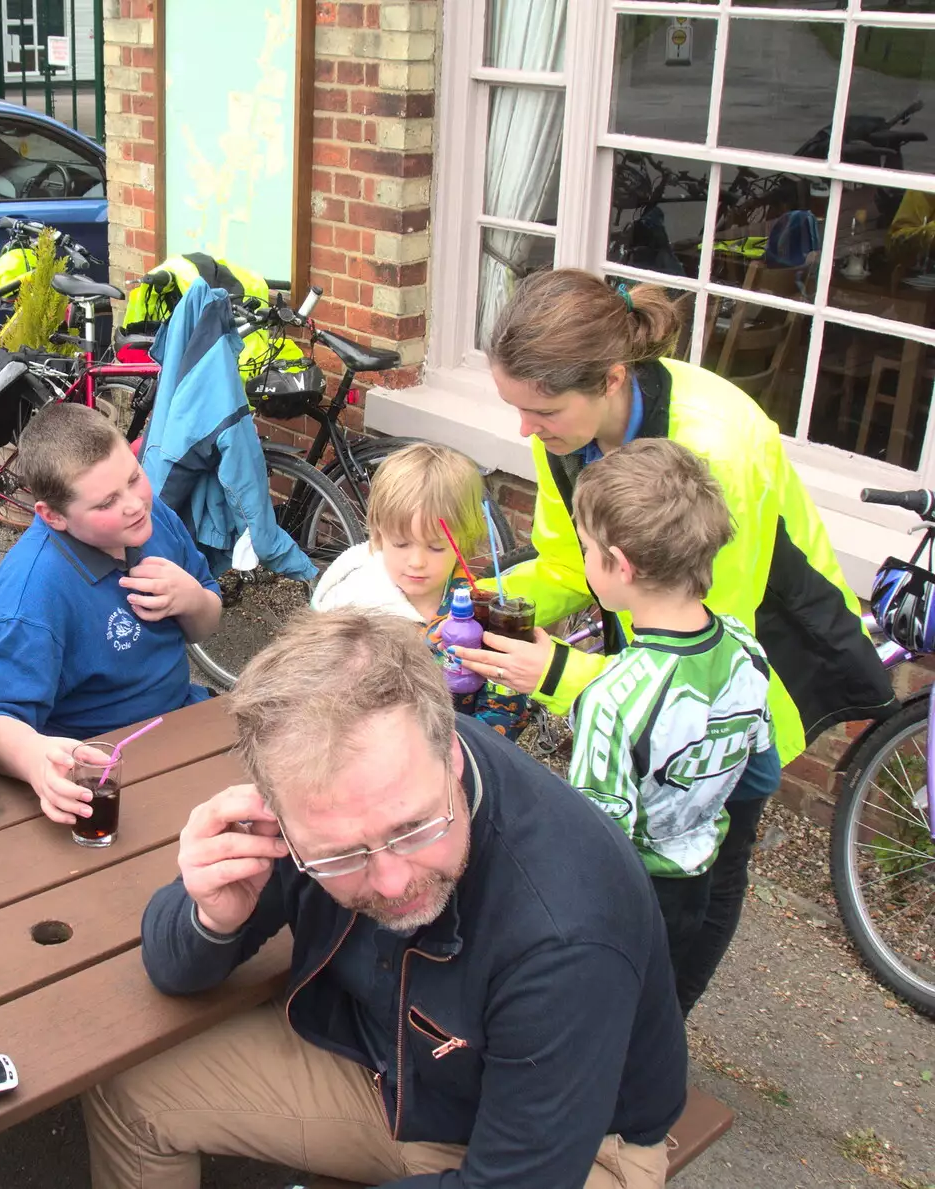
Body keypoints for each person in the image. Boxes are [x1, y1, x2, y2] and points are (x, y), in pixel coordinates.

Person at [86, 611, 687, 1189]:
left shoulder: (565, 931)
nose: (393, 882)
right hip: (385, 1067)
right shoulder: (324, 798)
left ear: (450, 752)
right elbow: (171, 968)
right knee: (129, 1091)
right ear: (278, 815)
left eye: (414, 828)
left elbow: (521, 1179)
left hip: (574, 1153)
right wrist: (212, 919)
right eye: (339, 855)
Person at [453, 268, 895, 1010]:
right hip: (653, 667)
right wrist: (485, 601)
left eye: (542, 411)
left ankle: (665, 1019)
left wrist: (559, 669)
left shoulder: (715, 450)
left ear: (613, 378)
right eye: (515, 409)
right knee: (642, 865)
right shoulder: (565, 424)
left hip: (752, 657)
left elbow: (707, 663)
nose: (525, 430)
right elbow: (568, 563)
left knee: (710, 856)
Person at [565, 439, 775, 1015]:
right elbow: (758, 760)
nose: (584, 560)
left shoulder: (611, 700)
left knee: (604, 1016)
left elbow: (595, 845)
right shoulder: (746, 650)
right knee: (658, 1009)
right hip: (696, 880)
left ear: (621, 564)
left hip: (628, 899)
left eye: (586, 549)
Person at [0, 401, 222, 826]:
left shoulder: (151, 516)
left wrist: (193, 600)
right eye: (107, 502)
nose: (134, 504)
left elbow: (206, 623)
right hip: (102, 765)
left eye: (134, 477)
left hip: (183, 719)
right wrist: (36, 759)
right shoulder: (32, 591)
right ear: (52, 516)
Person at [312, 441, 528, 737]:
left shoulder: (481, 612)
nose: (416, 562)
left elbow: (504, 705)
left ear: (463, 542)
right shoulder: (352, 602)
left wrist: (469, 753)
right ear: (378, 533)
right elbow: (317, 693)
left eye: (436, 547)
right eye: (401, 544)